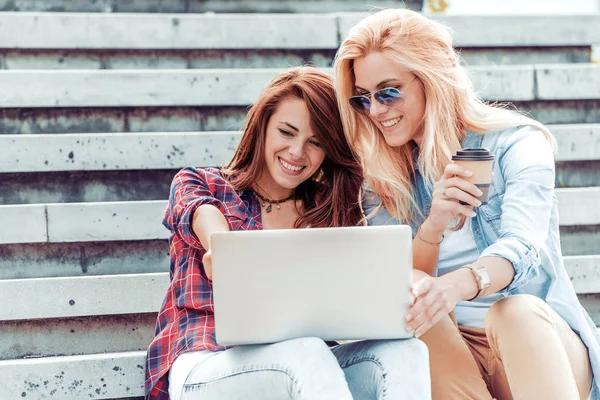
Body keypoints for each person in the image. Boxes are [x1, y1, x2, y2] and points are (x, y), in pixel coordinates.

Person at [334, 8, 600, 400]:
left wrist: (461, 284)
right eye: (363, 99)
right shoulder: (384, 180)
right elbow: (402, 290)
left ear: (431, 78)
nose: (376, 111)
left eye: (389, 92)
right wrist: (433, 227)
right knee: (410, 284)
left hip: (539, 348)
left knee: (514, 314)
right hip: (455, 358)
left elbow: (524, 246)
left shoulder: (517, 144)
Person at [144, 66, 430, 400]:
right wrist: (221, 249)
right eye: (286, 132)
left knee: (406, 351)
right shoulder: (203, 183)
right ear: (262, 126)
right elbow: (200, 211)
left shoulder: (327, 209)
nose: (297, 152)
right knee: (304, 351)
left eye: (315, 142)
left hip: (307, 365)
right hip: (206, 364)